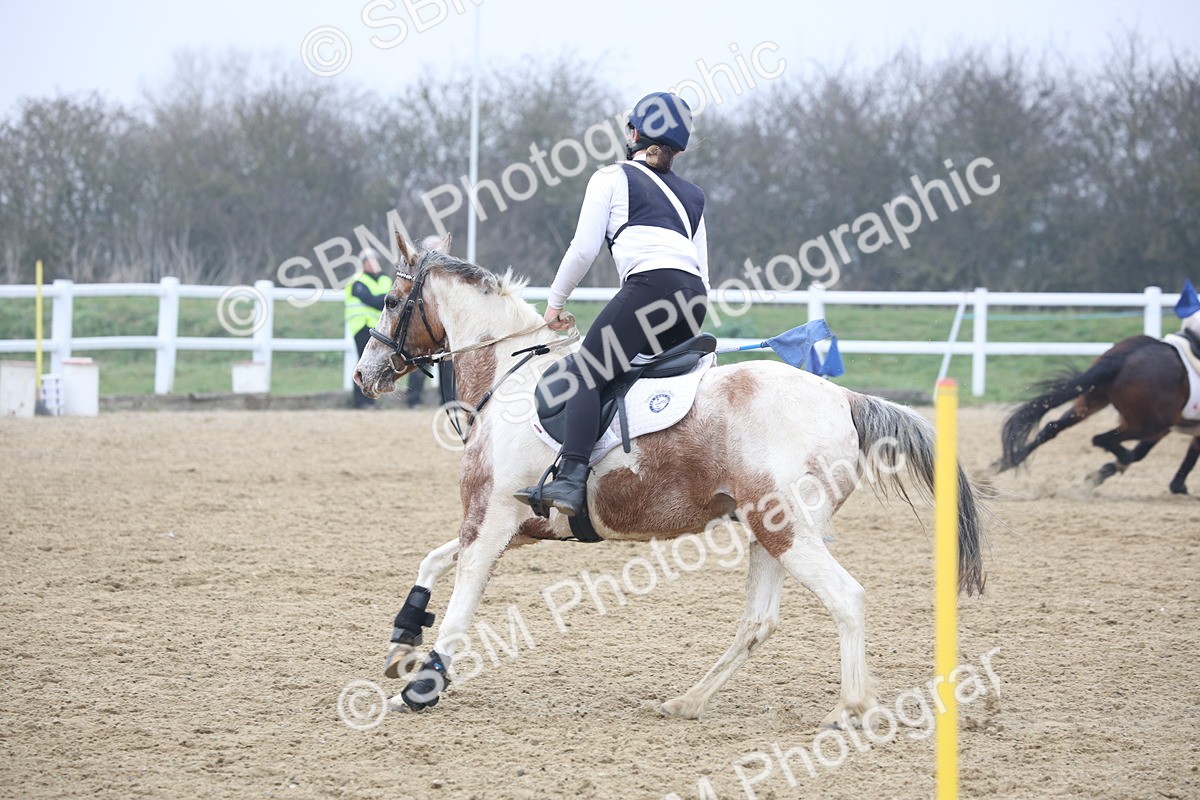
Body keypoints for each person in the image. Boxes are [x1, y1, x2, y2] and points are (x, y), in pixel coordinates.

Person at [514, 91, 710, 516]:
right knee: (635, 374)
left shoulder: (610, 177)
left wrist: (554, 302)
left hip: (650, 288)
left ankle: (569, 478)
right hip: (693, 299)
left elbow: (583, 250)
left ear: (635, 133)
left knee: (588, 371)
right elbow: (702, 269)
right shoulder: (693, 197)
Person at [405, 235, 453, 408]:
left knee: (447, 368)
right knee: (419, 366)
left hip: (443, 329)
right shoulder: (416, 276)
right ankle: (413, 400)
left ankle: (447, 401)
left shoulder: (448, 275)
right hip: (424, 328)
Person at [345, 247, 393, 409]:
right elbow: (374, 301)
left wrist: (383, 300)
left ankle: (372, 399)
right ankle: (360, 401)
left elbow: (389, 301)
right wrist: (384, 299)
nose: (372, 264)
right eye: (368, 261)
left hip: (381, 329)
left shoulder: (386, 279)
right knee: (363, 363)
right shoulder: (357, 281)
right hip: (361, 327)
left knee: (378, 364)